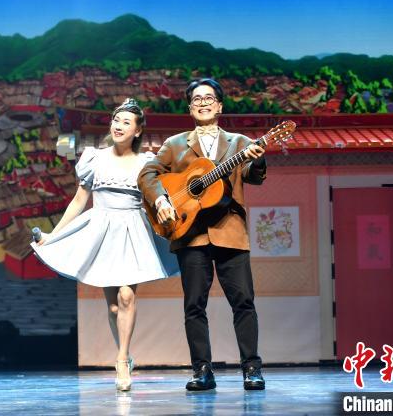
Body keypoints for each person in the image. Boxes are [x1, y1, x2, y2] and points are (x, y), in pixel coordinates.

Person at [32, 99, 178, 392]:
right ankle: (126, 354)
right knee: (113, 307)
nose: (119, 126)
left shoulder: (145, 162)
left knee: (126, 296)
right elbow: (78, 202)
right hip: (102, 231)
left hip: (132, 231)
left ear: (138, 131)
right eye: (116, 120)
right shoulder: (94, 158)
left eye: (126, 122)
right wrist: (54, 236)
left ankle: (121, 360)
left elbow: (156, 198)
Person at [137, 78, 267, 391]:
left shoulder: (239, 142)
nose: (203, 103)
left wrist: (258, 158)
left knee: (244, 302)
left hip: (229, 231)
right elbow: (147, 174)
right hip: (190, 233)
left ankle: (252, 369)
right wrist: (161, 200)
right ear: (190, 108)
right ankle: (202, 371)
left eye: (209, 98)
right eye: (197, 99)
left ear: (219, 106)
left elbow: (253, 176)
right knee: (194, 305)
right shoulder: (175, 144)